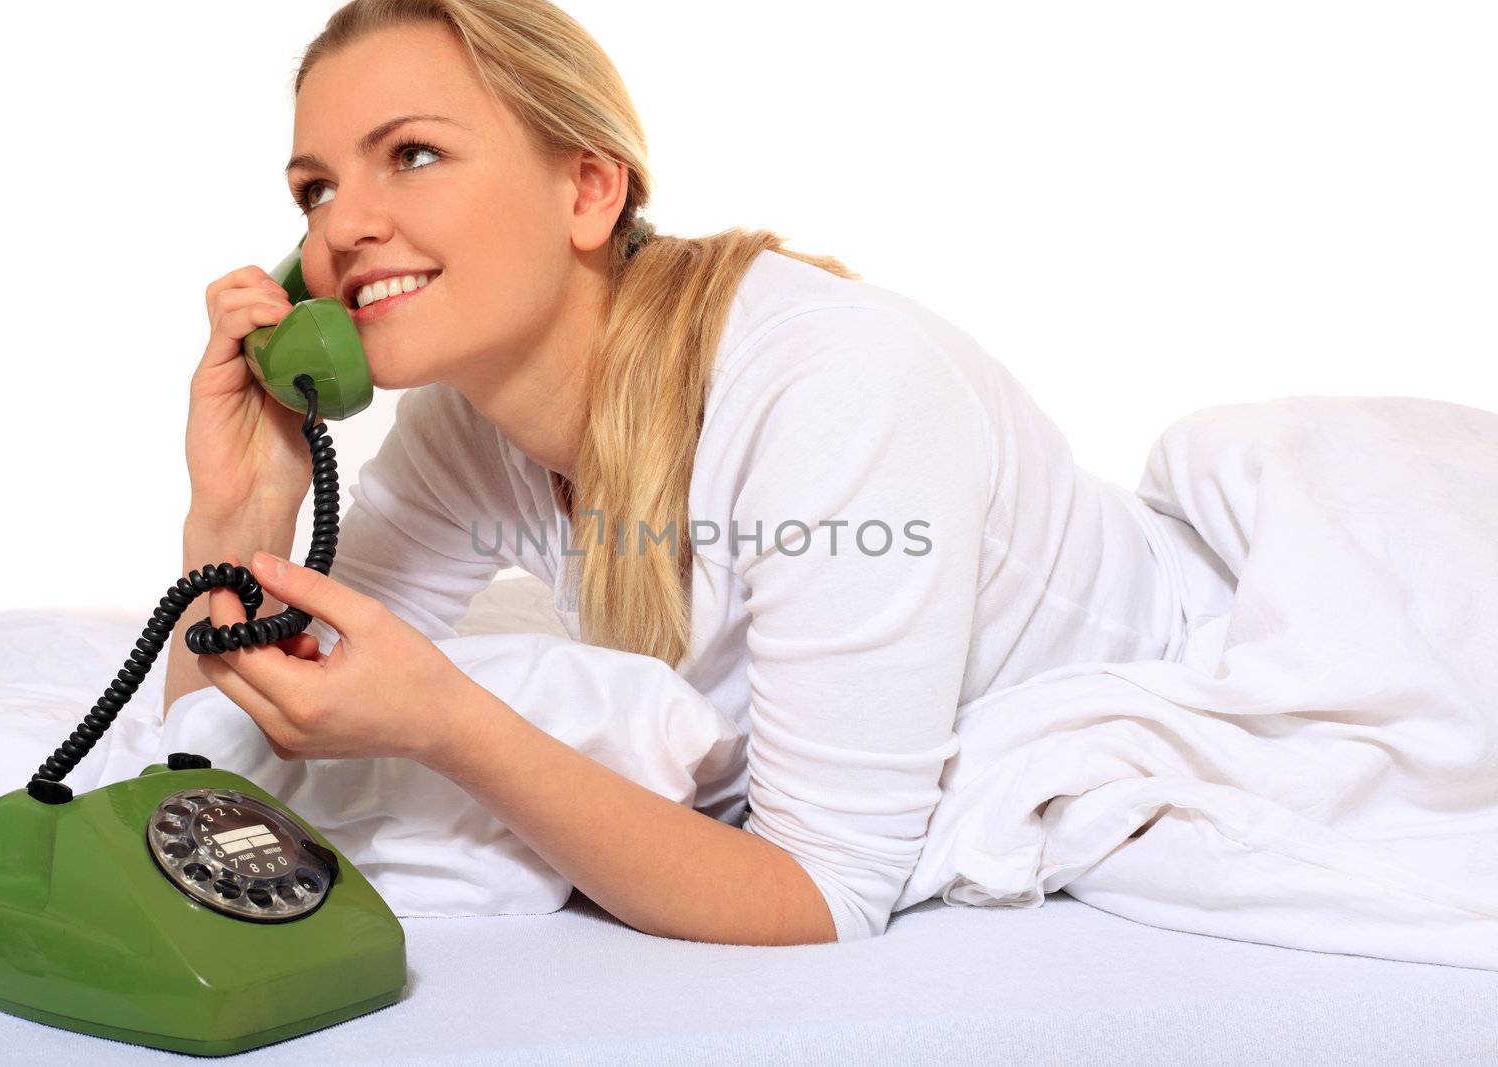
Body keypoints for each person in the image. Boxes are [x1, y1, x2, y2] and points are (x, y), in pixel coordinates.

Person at [162, 0, 1230, 947]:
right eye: (315, 188)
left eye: (414, 154)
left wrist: (455, 725)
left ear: (587, 189)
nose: (342, 226)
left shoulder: (834, 386)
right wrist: (238, 510)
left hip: (1211, 661)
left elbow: (823, 892)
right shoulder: (462, 424)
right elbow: (221, 760)